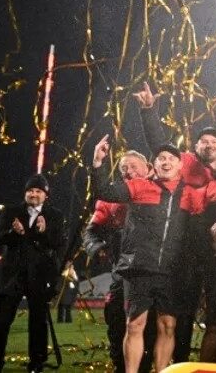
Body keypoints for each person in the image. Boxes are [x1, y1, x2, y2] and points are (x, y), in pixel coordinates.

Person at [90, 139, 216, 373]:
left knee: (168, 326)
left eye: (171, 159)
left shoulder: (190, 194)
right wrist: (99, 162)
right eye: (161, 158)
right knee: (135, 325)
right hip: (139, 268)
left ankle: (161, 371)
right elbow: (105, 191)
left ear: (179, 166)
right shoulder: (139, 187)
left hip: (171, 272)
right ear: (154, 164)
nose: (166, 162)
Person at [82, 150, 157, 372]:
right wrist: (98, 249)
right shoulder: (110, 198)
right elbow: (90, 233)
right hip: (122, 269)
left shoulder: (159, 192)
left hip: (152, 269)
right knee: (115, 318)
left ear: (148, 168)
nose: (129, 171)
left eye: (134, 166)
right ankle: (120, 366)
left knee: (150, 323)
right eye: (124, 168)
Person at [0, 174, 66, 373]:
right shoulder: (11, 211)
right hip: (11, 276)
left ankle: (36, 363)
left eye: (38, 191)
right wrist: (14, 233)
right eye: (30, 190)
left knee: (38, 322)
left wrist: (43, 232)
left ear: (46, 195)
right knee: (1, 322)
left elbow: (59, 244)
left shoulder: (54, 215)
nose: (33, 194)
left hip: (39, 275)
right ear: (25, 193)